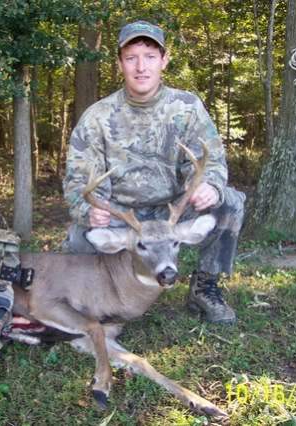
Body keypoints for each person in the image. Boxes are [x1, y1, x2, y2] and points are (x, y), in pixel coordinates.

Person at [62, 20, 246, 324]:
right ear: (120, 63)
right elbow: (79, 182)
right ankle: (99, 294)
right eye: (131, 57)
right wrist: (88, 211)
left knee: (229, 202)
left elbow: (209, 160)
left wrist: (209, 185)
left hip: (172, 214)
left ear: (164, 60)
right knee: (83, 236)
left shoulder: (187, 107)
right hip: (124, 218)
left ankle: (205, 285)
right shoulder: (97, 117)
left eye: (149, 57)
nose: (141, 67)